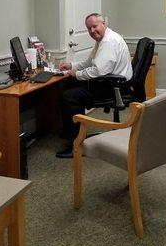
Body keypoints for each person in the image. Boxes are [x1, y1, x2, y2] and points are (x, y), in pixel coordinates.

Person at [55, 13, 132, 158]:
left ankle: (76, 144)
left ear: (104, 24)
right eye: (89, 28)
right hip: (110, 82)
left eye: (94, 26)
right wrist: (71, 66)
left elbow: (98, 70)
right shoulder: (103, 40)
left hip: (113, 87)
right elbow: (90, 62)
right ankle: (69, 131)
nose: (92, 31)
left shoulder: (109, 42)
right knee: (70, 83)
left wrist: (76, 74)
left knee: (70, 96)